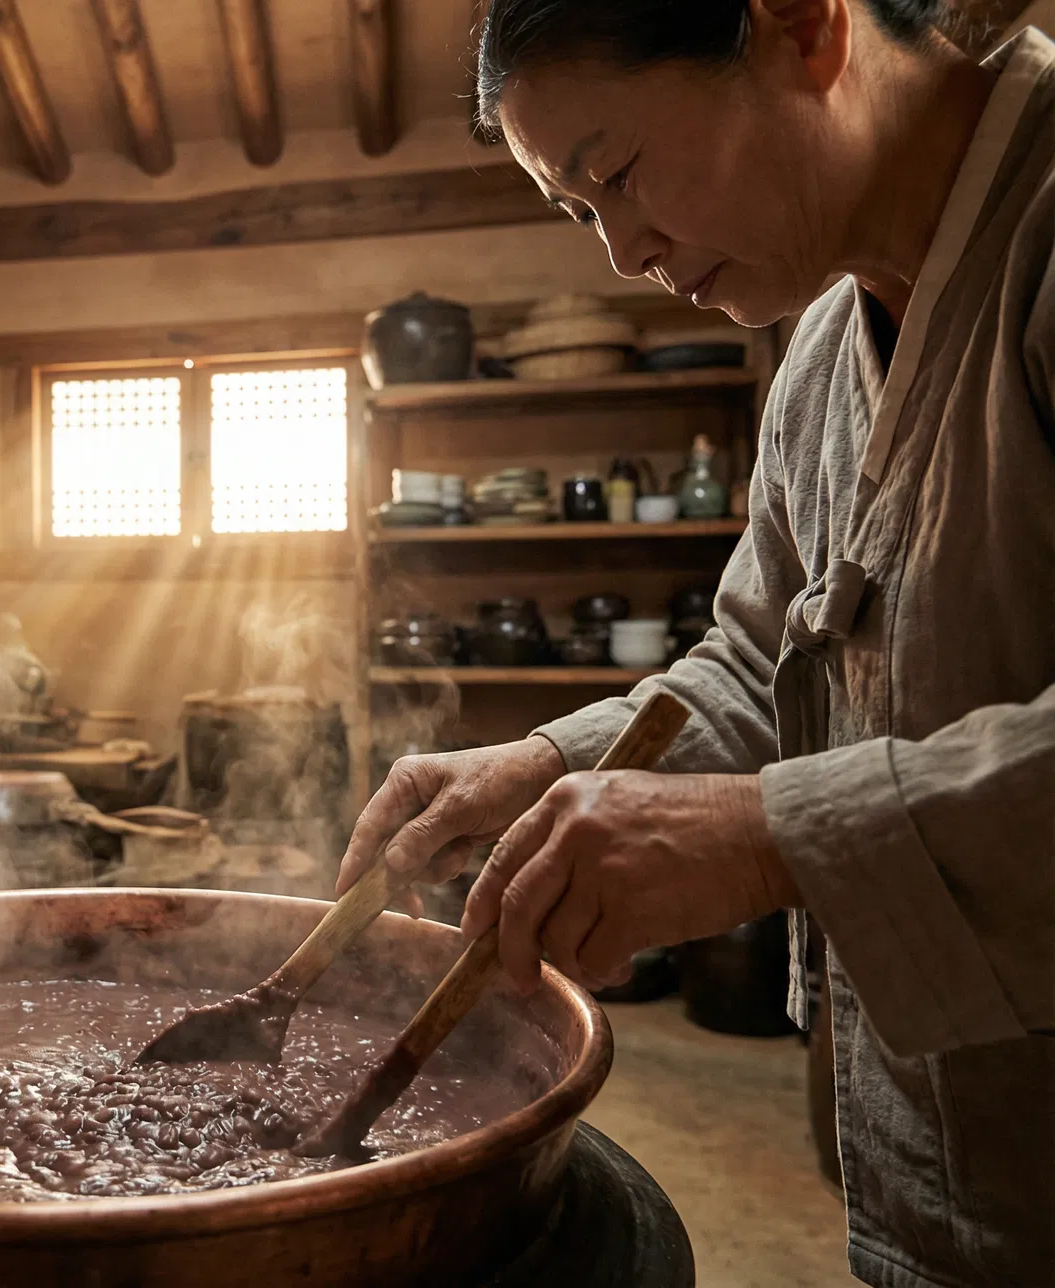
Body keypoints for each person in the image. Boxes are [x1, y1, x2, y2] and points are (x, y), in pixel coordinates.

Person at [335, 2, 1055, 1284]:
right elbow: (755, 660)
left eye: (617, 175)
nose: (620, 254)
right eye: (578, 211)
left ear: (798, 25)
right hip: (962, 1179)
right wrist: (548, 761)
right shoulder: (823, 352)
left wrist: (769, 832)